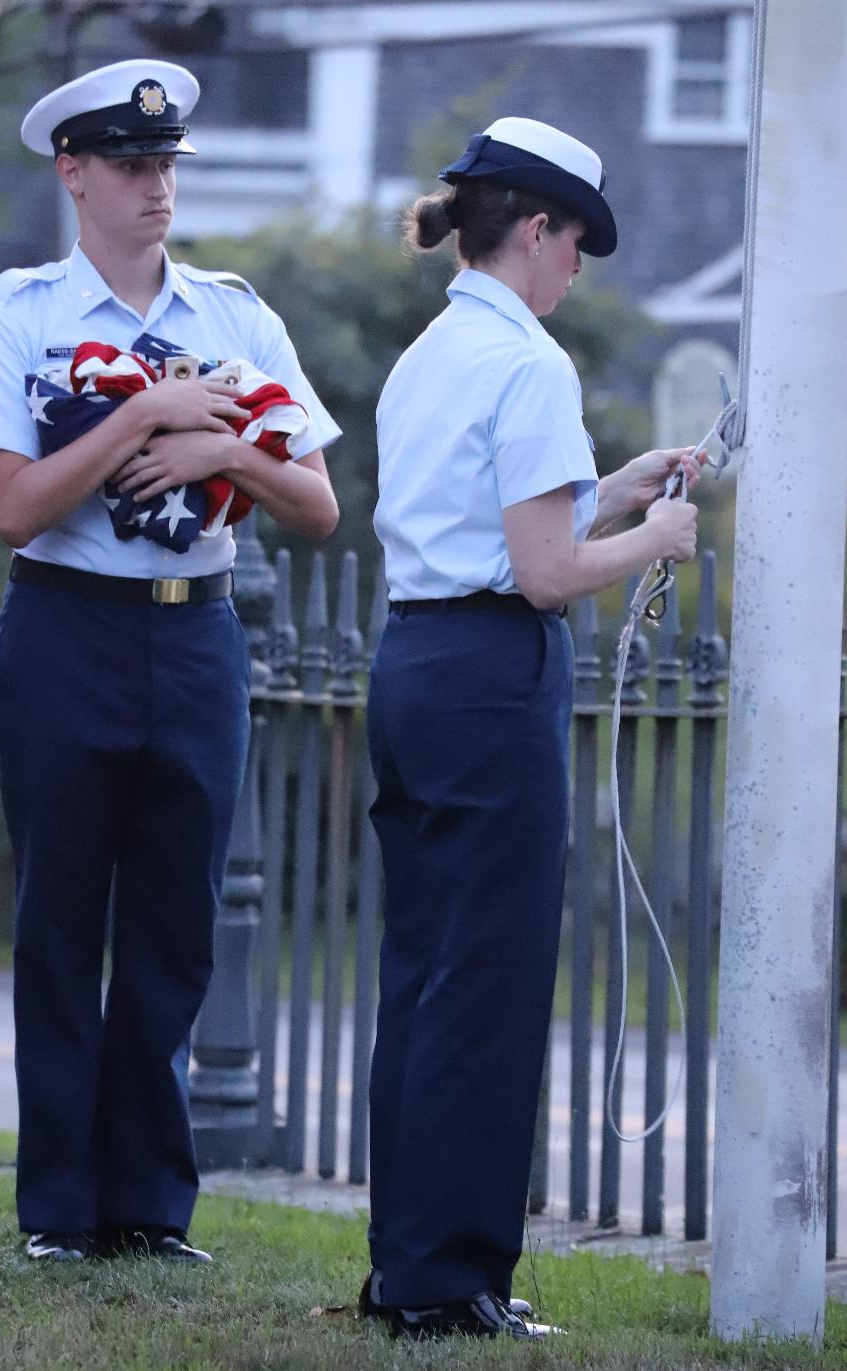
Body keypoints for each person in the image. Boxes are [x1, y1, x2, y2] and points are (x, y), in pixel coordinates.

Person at [0, 58, 340, 1264]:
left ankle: (148, 1208)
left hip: (196, 628)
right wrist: (131, 421)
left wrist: (210, 445)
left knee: (175, 930)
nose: (155, 186)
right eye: (130, 164)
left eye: (167, 164)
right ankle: (59, 1210)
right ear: (72, 173)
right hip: (69, 627)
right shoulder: (22, 315)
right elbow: (12, 509)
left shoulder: (234, 316)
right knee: (63, 920)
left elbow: (317, 504)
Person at [361, 116, 700, 1339]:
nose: (576, 273)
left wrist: (612, 488)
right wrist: (652, 539)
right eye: (576, 247)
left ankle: (405, 1265)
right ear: (540, 229)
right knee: (487, 983)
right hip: (489, 676)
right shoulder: (529, 364)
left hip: (414, 661)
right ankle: (452, 1282)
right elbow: (546, 572)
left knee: (423, 973)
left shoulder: (434, 351)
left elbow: (496, 523)